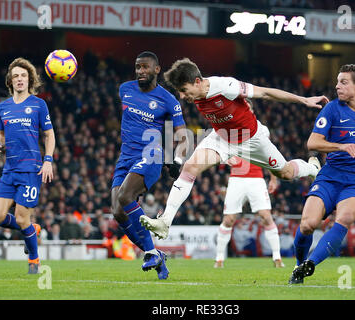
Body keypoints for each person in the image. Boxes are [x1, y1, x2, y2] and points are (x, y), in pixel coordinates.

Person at [140, 57, 328, 240]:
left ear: (197, 81)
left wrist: (303, 100)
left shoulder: (225, 86)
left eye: (183, 90)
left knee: (285, 173)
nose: (182, 96)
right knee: (190, 167)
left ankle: (312, 168)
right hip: (222, 138)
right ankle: (165, 222)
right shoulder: (196, 93)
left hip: (252, 140)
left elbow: (265, 93)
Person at [289, 64, 355, 284]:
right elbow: (312, 142)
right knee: (307, 224)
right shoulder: (331, 109)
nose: (337, 86)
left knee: (344, 218)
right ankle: (298, 265)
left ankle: (309, 265)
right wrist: (342, 146)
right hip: (329, 176)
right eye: (337, 81)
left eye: (343, 82)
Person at [111, 51, 187, 280]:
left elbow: (182, 134)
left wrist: (177, 160)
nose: (140, 71)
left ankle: (151, 253)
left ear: (157, 70)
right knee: (117, 212)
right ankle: (155, 254)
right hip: (125, 157)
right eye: (137, 67)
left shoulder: (168, 100)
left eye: (145, 67)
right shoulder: (125, 89)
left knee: (125, 197)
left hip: (151, 154)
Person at [0, 58, 55, 274]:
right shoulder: (2, 107)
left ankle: (34, 260)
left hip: (31, 169)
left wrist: (48, 160)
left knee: (21, 217)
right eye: (16, 76)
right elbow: (1, 134)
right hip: (10, 170)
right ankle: (31, 229)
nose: (19, 79)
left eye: (23, 75)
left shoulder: (38, 104)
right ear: (10, 80)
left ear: (29, 80)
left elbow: (49, 135)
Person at [214, 156, 284, 268]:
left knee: (266, 217)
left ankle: (277, 257)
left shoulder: (262, 137)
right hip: (236, 179)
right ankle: (219, 259)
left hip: (256, 180)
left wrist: (273, 179)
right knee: (228, 220)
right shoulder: (231, 138)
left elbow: (269, 155)